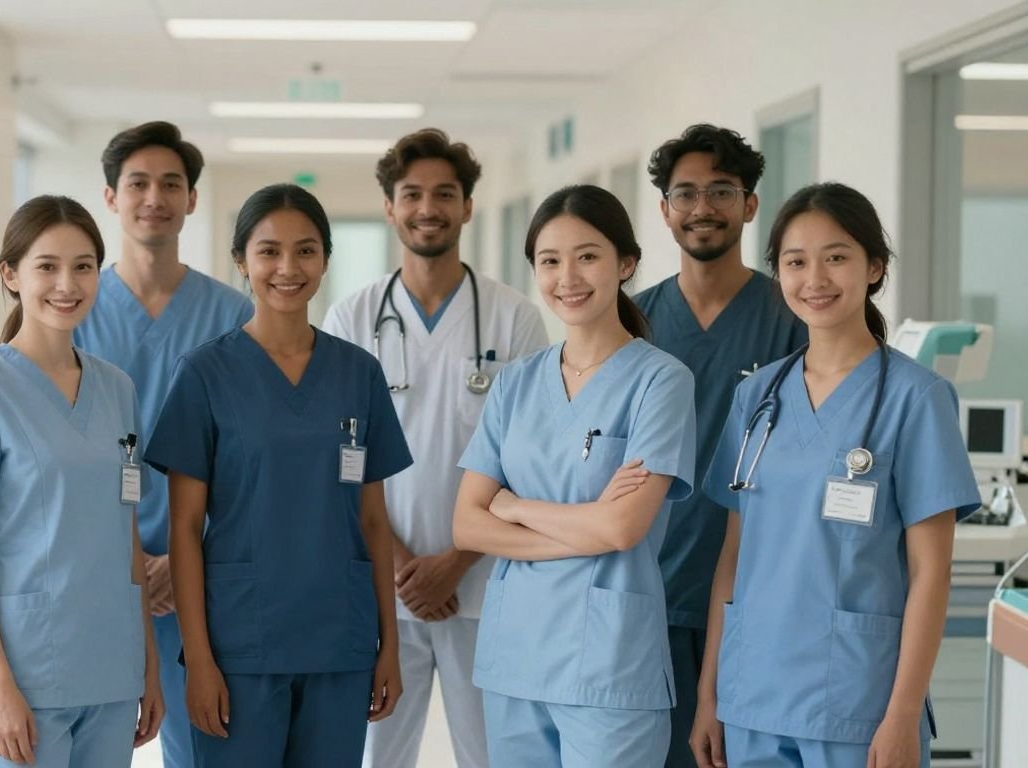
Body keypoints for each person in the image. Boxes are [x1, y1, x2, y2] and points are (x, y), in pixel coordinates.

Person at [692, 183, 980, 768]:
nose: (815, 278)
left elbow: (933, 572)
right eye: (796, 262)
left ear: (874, 267)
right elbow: (733, 553)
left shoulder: (916, 399)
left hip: (858, 700)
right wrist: (709, 694)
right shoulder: (757, 396)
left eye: (837, 257)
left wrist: (902, 714)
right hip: (753, 694)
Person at [146, 184, 413, 767]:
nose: (287, 268)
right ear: (241, 261)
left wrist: (389, 647)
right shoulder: (205, 374)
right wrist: (199, 659)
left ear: (324, 259)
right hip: (240, 645)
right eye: (268, 252)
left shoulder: (359, 374)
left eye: (306, 251)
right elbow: (185, 529)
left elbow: (372, 519)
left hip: (339, 642)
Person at [322, 127, 546, 768]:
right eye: (412, 194)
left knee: (491, 755)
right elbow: (338, 463)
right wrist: (403, 567)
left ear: (468, 206)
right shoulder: (352, 319)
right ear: (389, 208)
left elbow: (529, 461)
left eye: (445, 193)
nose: (428, 207)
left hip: (483, 584)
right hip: (379, 585)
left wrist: (455, 560)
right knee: (377, 754)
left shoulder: (513, 318)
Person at [453, 184, 696, 766]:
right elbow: (466, 525)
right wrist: (584, 524)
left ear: (626, 264)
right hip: (516, 656)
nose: (568, 277)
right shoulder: (515, 383)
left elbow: (620, 531)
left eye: (588, 256)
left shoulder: (661, 381)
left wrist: (512, 507)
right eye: (550, 261)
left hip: (608, 662)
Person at [0, 196, 163, 767]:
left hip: (109, 669)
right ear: (11, 274)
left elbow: (124, 534)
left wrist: (147, 666)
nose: (67, 283)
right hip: (22, 676)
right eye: (47, 266)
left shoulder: (117, 390)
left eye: (83, 266)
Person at [73, 121, 252, 768]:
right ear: (111, 198)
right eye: (138, 183)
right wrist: (126, 559)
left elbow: (245, 458)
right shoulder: (74, 307)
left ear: (192, 200)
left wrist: (182, 560)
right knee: (90, 741)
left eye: (171, 184)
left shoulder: (232, 315)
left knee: (201, 744)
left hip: (197, 567)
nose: (155, 196)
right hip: (92, 564)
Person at [635, 123, 807, 767]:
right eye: (685, 194)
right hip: (655, 586)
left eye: (721, 191)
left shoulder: (792, 317)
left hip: (761, 590)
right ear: (664, 211)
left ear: (750, 204)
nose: (702, 207)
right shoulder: (634, 322)